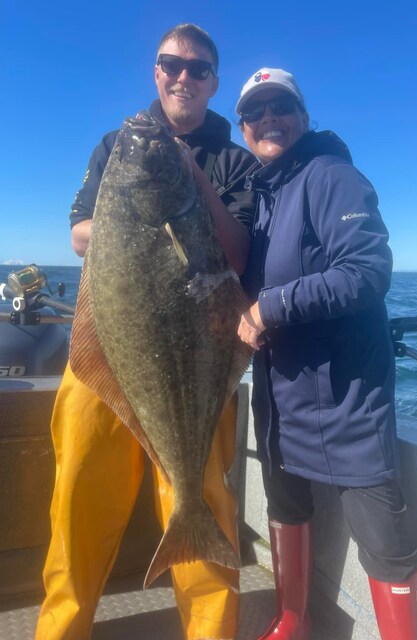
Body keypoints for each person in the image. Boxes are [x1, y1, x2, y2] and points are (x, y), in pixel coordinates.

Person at [35, 24, 257, 640]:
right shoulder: (117, 144)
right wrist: (130, 216)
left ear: (214, 82)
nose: (183, 76)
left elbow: (239, 257)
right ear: (155, 72)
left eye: (199, 69)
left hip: (194, 361)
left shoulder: (234, 163)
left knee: (201, 497)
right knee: (77, 499)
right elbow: (80, 233)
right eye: (171, 64)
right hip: (111, 343)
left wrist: (187, 175)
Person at [236, 68, 417, 640]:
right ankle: (291, 619)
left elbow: (368, 272)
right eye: (256, 111)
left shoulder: (332, 175)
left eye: (280, 106)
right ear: (245, 127)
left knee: (387, 544)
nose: (268, 118)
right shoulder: (266, 198)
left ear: (303, 116)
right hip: (281, 399)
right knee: (285, 509)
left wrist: (268, 308)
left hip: (347, 401)